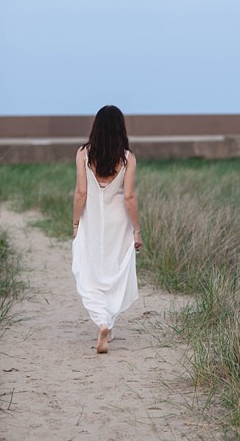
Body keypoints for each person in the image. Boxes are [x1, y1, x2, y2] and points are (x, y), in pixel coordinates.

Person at [72, 105, 142, 354]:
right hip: (118, 223)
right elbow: (130, 198)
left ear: (96, 128)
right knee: (114, 272)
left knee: (90, 272)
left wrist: (76, 222)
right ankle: (107, 325)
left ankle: (103, 323)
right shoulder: (127, 158)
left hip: (93, 221)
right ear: (120, 128)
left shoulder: (83, 154)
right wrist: (136, 229)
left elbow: (81, 192)